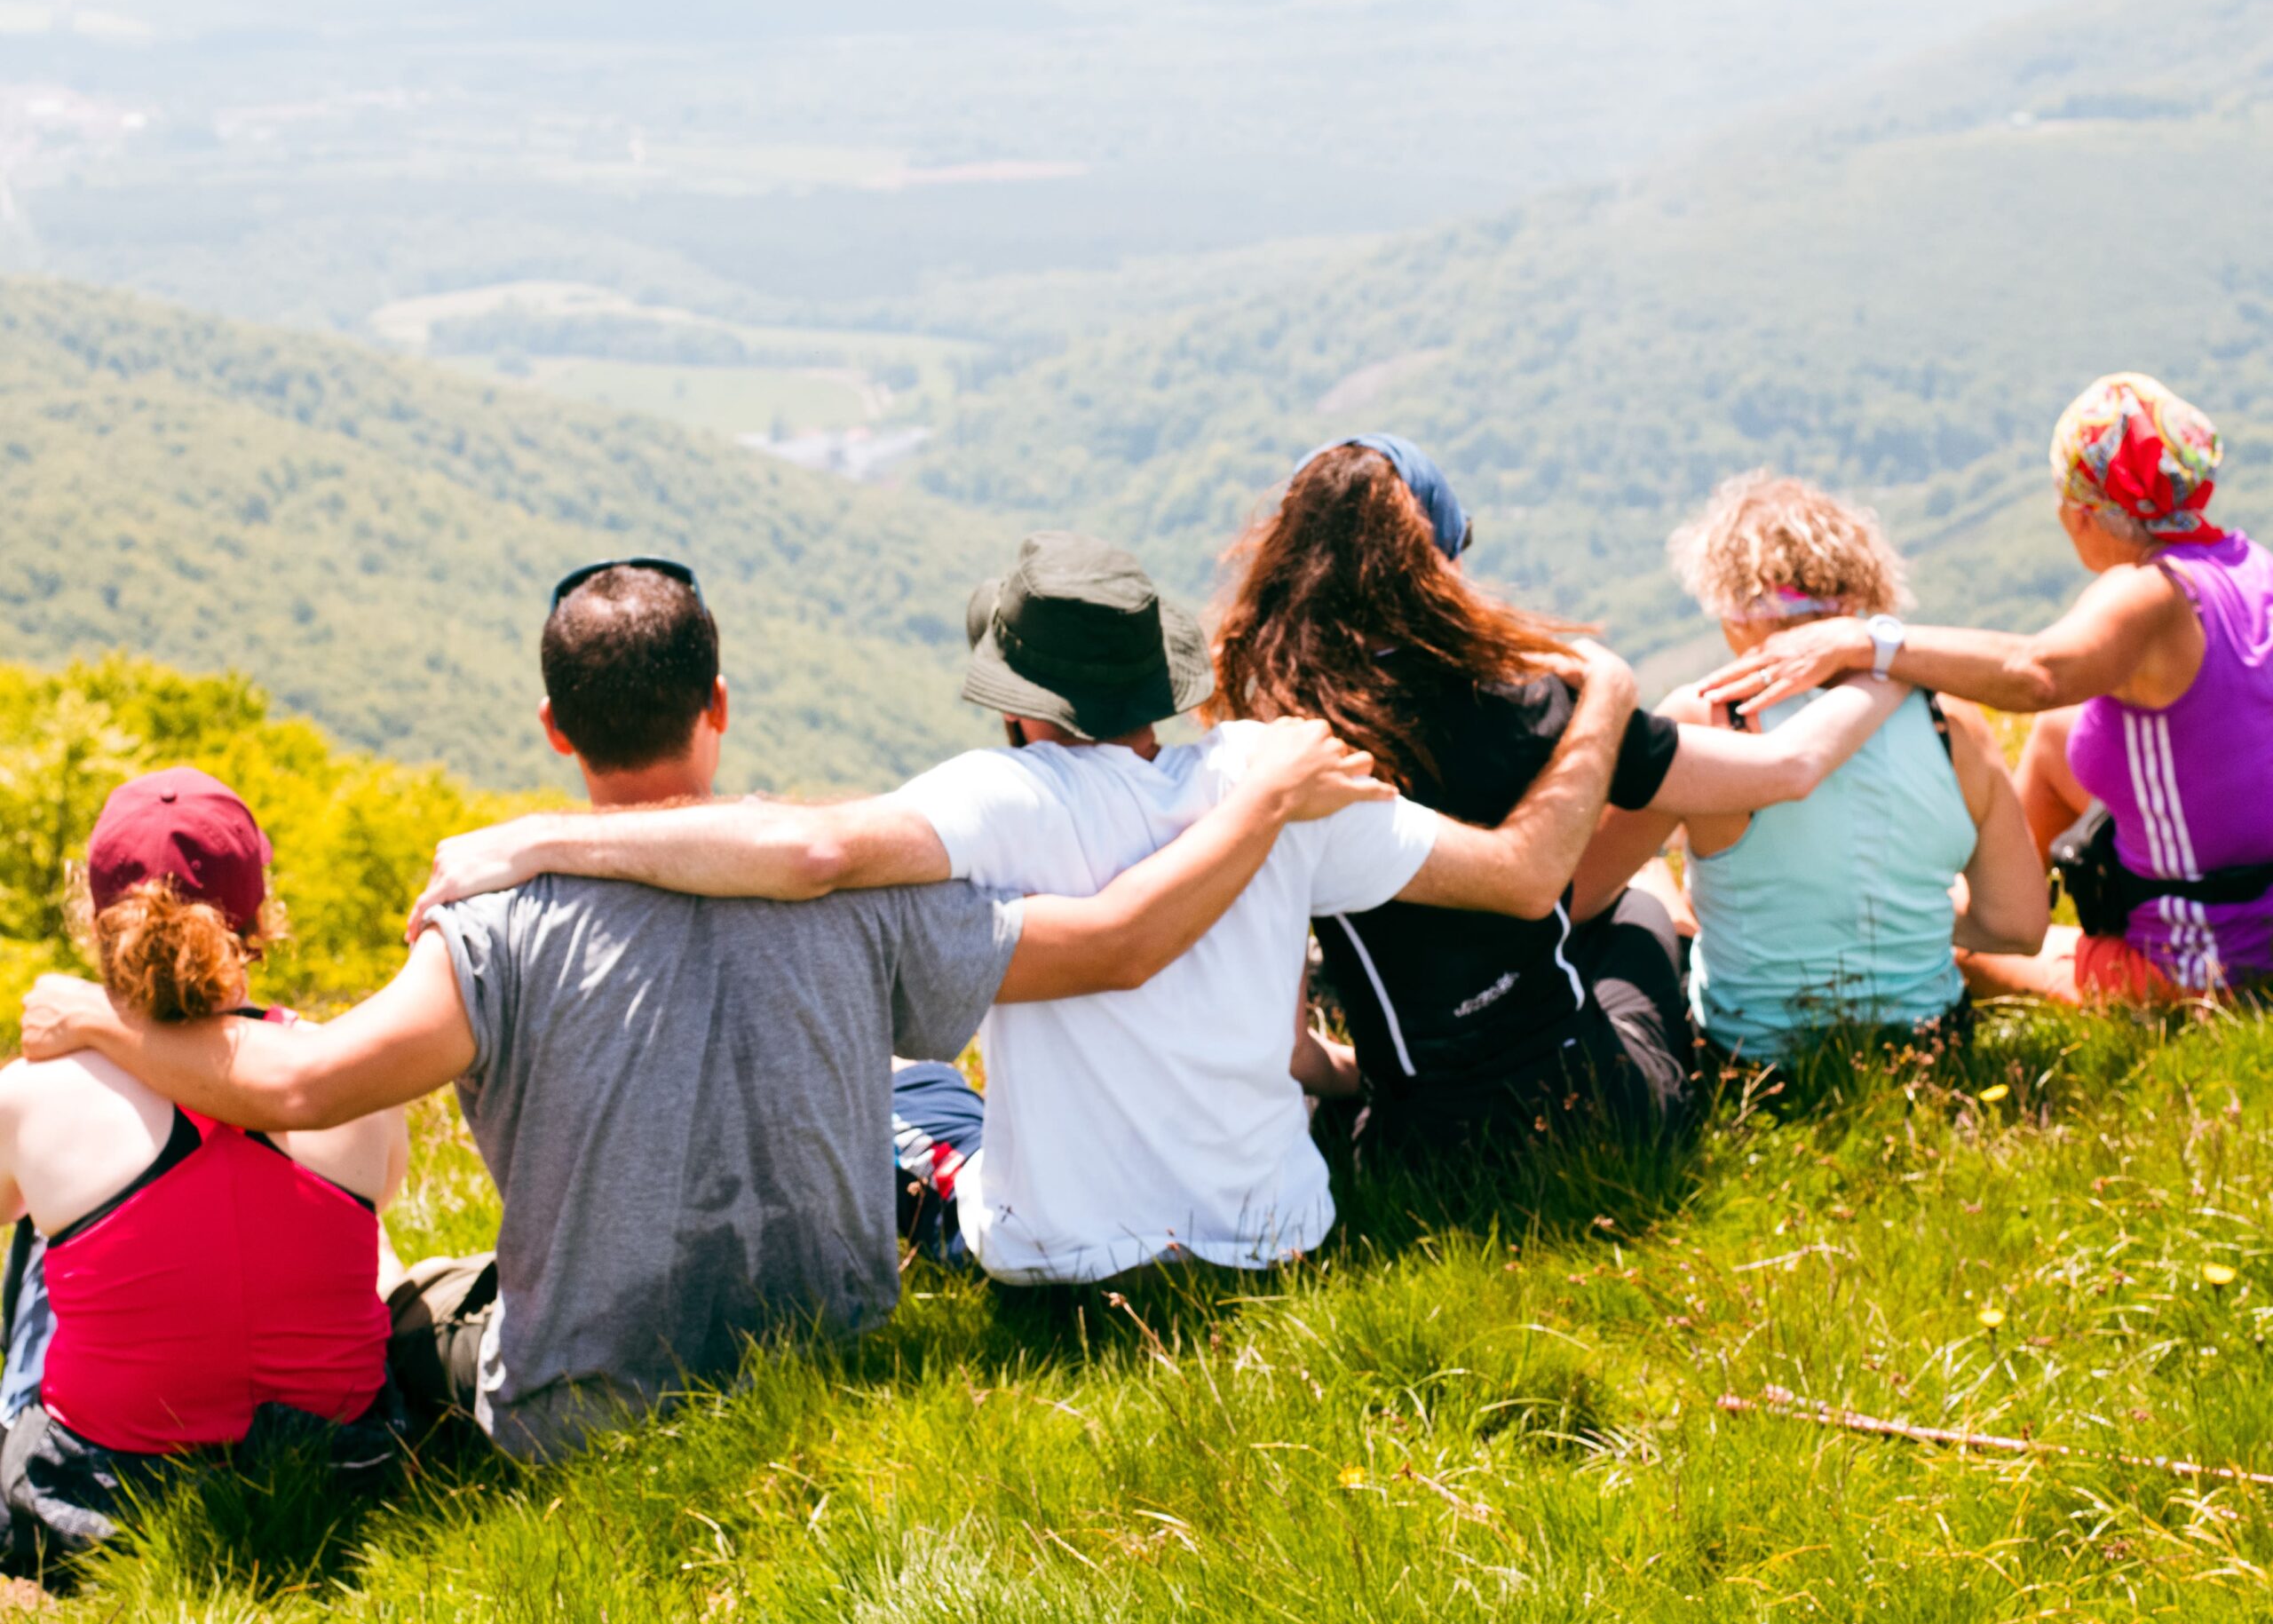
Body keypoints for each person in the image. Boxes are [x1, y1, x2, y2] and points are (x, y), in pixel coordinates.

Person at [20, 562, 1391, 1459]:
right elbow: (1110, 948)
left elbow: (302, 1088)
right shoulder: (863, 895)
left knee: (408, 1312)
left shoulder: (490, 933)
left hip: (582, 1417)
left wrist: (97, 1023)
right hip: (834, 1369)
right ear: (719, 707)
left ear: (557, 732)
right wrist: (1249, 799)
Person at [384, 529, 1661, 1283]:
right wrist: (1604, 699)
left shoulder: (1008, 799)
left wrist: (537, 837)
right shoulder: (1283, 776)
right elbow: (1521, 876)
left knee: (907, 1091)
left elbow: (817, 853)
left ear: (1019, 707)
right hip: (1283, 1236)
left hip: (1065, 1260)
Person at [1208, 437, 1917, 1154]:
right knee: (1637, 908)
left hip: (1419, 1145)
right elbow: (1791, 767)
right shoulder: (1541, 704)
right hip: (1603, 1114)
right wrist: (1885, 661)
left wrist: (1372, 1077)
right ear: (1442, 563)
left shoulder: (1285, 758)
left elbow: (1290, 1050)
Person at [1699, 375, 2273, 1004]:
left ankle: (1996, 922)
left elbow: (2038, 673)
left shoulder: (2146, 593)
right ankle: (2003, 894)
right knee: (2061, 737)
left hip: (2209, 963)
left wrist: (1869, 642)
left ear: (2081, 512)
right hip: (2256, 898)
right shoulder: (2248, 565)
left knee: (1931, 944)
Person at [0, 768, 408, 1565]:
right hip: (340, 1473)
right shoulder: (344, 1071)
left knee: (42, 1229)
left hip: (101, 1499)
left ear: (95, 919)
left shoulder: (32, 1093)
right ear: (259, 915)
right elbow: (386, 1191)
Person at [1615, 473, 2045, 1061]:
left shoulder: (1706, 717)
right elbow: (2019, 926)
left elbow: (1592, 885)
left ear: (1735, 610)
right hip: (1934, 1045)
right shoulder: (1955, 723)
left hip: (1756, 1056)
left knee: (1646, 883)